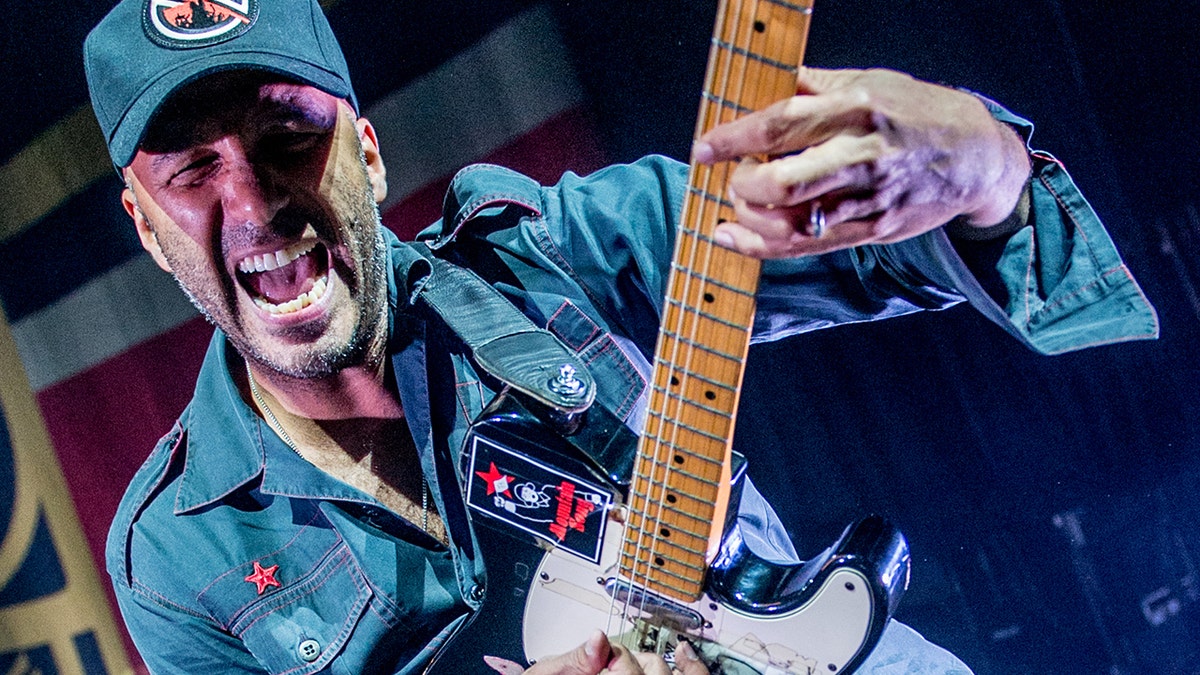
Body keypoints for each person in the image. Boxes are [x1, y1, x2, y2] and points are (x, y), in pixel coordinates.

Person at [83, 0, 1157, 673]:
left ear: (365, 151)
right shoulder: (173, 553)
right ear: (143, 223)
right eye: (190, 174)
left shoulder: (549, 255)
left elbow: (866, 235)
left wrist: (979, 166)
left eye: (289, 137)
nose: (258, 201)